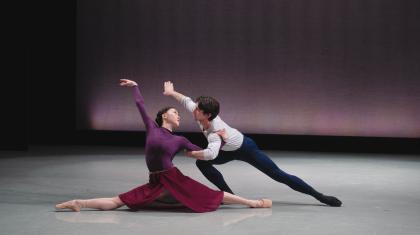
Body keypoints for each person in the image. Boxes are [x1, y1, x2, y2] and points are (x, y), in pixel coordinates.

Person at [55, 79, 271, 213]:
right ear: (163, 116)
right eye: (174, 112)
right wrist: (135, 87)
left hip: (173, 178)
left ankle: (254, 203)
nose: (179, 114)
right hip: (156, 180)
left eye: (178, 112)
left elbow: (205, 153)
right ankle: (79, 203)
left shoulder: (180, 140)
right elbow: (140, 105)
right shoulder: (152, 128)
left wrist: (219, 140)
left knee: (213, 195)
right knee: (120, 201)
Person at [163, 81, 342, 207]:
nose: (194, 109)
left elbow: (210, 154)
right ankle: (229, 195)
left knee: (278, 174)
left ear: (207, 115)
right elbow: (186, 100)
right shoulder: (200, 113)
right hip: (227, 150)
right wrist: (171, 93)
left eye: (198, 109)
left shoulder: (215, 132)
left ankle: (319, 196)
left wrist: (191, 153)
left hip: (246, 148)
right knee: (202, 164)